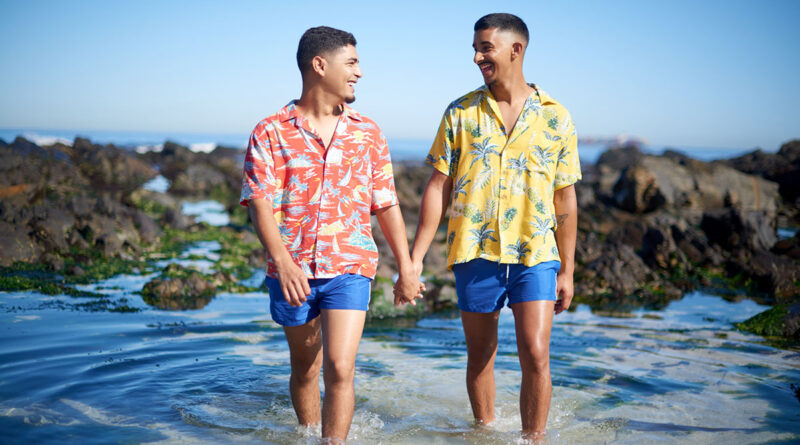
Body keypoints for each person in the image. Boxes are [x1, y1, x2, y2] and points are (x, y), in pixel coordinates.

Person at [240, 26, 422, 443]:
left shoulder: (369, 132)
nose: (360, 73)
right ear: (320, 65)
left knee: (340, 367)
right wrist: (284, 264)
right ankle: (307, 435)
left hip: (350, 266)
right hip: (293, 271)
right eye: (352, 63)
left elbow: (386, 203)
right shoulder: (269, 131)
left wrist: (408, 267)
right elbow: (259, 203)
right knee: (305, 368)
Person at [409, 13, 581, 441]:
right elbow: (438, 187)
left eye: (485, 47)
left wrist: (568, 269)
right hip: (475, 253)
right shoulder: (460, 113)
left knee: (536, 355)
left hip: (535, 253)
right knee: (481, 356)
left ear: (515, 50)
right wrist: (414, 259)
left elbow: (565, 198)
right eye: (475, 48)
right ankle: (484, 433)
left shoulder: (557, 117)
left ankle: (533, 438)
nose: (476, 56)